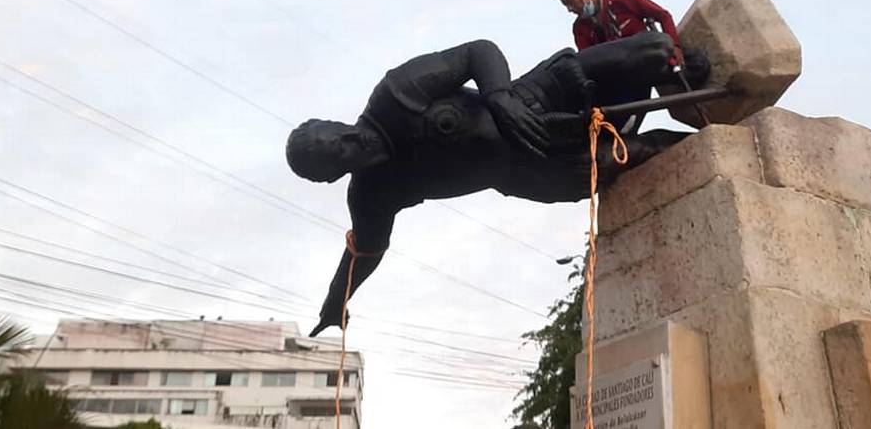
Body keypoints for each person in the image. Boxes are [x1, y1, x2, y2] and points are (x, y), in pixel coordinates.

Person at [287, 33, 691, 336]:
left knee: (654, 52)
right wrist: (335, 302)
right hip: (534, 171)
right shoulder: (373, 192)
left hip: (534, 100)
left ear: (334, 123)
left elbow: (476, 52)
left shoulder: (395, 94)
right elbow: (365, 251)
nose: (350, 143)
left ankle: (694, 77)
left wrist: (499, 96)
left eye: (338, 135)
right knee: (642, 153)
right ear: (333, 175)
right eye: (337, 155)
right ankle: (707, 144)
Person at [554, 0, 710, 128]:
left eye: (571, 2)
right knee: (618, 122)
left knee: (696, 67)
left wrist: (675, 46)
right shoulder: (580, 28)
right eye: (566, 5)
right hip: (618, 80)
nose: (570, 9)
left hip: (647, 66)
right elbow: (589, 61)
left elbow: (662, 15)